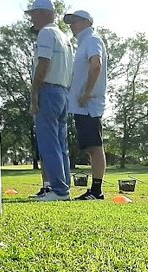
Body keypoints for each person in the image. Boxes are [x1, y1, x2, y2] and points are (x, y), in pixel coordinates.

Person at [26, 0, 74, 201]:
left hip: (48, 90)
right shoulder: (64, 37)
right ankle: (63, 187)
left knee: (49, 143)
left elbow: (44, 63)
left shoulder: (46, 33)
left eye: (33, 14)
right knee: (61, 144)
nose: (31, 18)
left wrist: (34, 92)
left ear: (44, 13)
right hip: (63, 92)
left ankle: (59, 190)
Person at [64, 10, 107, 200]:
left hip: (89, 103)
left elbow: (96, 65)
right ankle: (94, 190)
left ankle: (97, 191)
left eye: (74, 21)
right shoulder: (83, 43)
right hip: (81, 104)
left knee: (95, 146)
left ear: (85, 22)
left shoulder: (91, 39)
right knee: (90, 147)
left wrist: (87, 92)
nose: (71, 26)